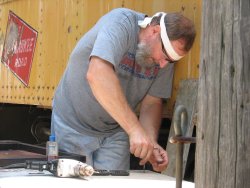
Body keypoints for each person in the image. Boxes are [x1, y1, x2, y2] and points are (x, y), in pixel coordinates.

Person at [51, 8, 196, 172]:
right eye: (165, 55)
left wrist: (149, 143)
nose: (164, 65)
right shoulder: (121, 23)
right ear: (155, 31)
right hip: (73, 125)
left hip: (115, 131)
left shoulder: (164, 60)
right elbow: (97, 74)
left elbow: (152, 102)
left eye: (170, 61)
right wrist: (135, 129)